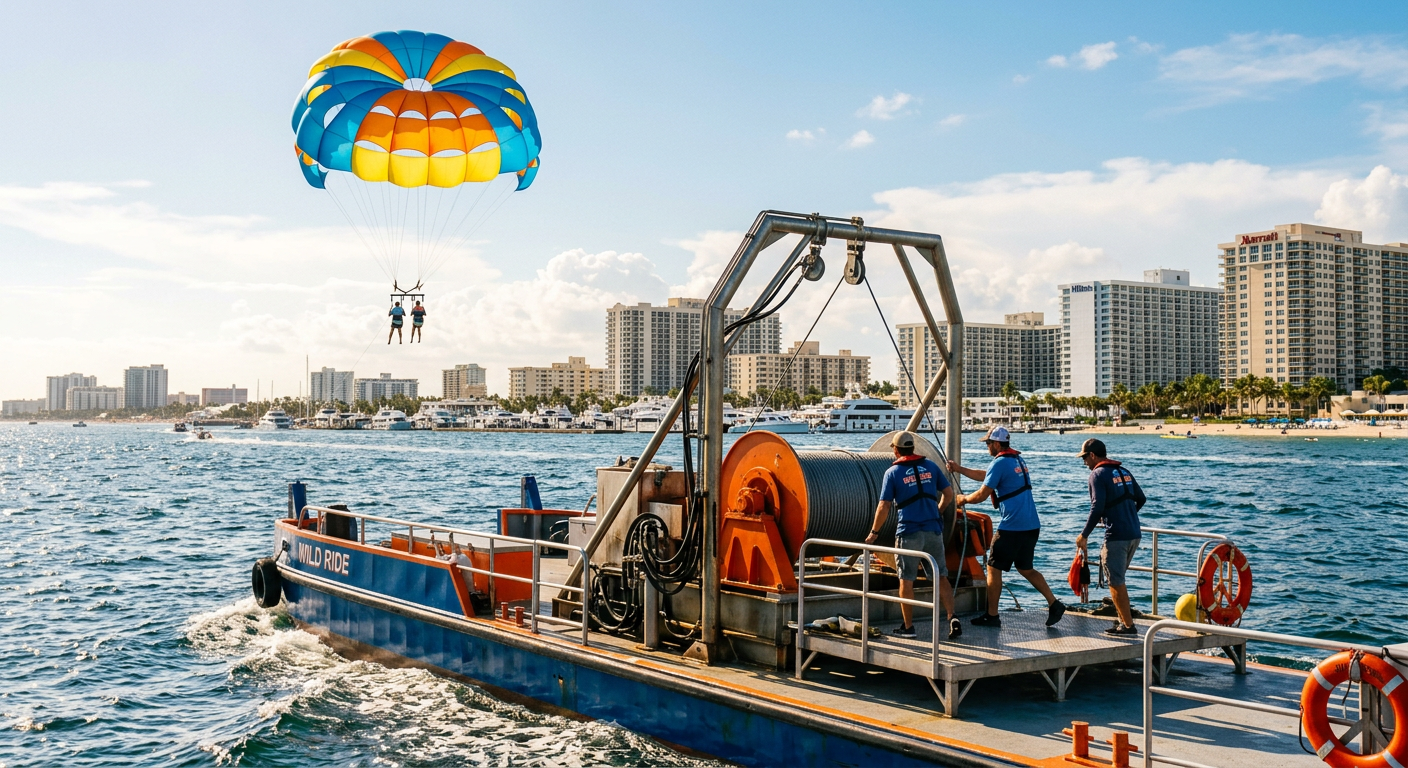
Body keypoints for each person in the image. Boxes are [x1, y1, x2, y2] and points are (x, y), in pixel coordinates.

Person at [947, 425, 1066, 628]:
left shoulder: (1000, 462)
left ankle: (992, 615)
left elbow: (983, 494)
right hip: (1031, 525)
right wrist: (959, 469)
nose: (987, 447)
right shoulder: (1016, 460)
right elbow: (987, 475)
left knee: (993, 568)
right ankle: (1054, 603)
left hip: (1012, 526)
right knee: (1025, 568)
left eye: (988, 443)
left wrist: (962, 499)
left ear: (995, 444)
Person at [865, 431, 960, 640]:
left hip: (909, 532)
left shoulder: (893, 473)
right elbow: (949, 494)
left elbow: (884, 505)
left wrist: (874, 533)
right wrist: (938, 511)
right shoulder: (931, 467)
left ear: (896, 450)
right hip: (934, 531)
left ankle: (908, 628)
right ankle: (952, 616)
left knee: (906, 580)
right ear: (913, 449)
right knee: (940, 575)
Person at [1075, 438, 1146, 636]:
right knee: (1118, 579)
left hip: (1117, 535)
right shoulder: (1124, 471)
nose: (1084, 463)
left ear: (1092, 455)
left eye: (1084, 458)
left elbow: (1097, 506)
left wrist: (1084, 535)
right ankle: (1123, 620)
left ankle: (1129, 627)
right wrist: (1127, 515)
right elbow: (1141, 498)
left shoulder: (1097, 474)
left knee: (1115, 581)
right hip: (1134, 533)